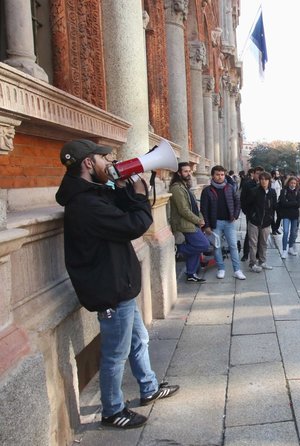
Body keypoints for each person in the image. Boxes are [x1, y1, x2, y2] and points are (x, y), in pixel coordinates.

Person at [55, 139, 178, 429]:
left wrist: (125, 187)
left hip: (119, 284)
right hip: (110, 289)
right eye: (104, 159)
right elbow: (134, 225)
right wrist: (138, 195)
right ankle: (112, 410)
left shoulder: (95, 194)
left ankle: (148, 388)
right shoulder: (85, 203)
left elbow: (119, 209)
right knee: (115, 354)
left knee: (139, 340)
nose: (110, 164)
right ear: (88, 163)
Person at [200, 165, 246, 280]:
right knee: (217, 247)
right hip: (215, 223)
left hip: (229, 222)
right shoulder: (207, 190)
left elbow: (237, 202)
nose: (220, 177)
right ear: (213, 175)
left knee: (233, 246)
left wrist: (235, 215)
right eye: (217, 174)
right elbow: (204, 209)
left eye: (222, 174)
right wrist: (206, 225)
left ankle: (237, 270)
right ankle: (221, 268)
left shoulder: (230, 187)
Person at [170, 162, 210, 283]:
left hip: (192, 222)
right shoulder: (177, 188)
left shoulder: (184, 186)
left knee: (196, 248)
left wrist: (201, 219)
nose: (189, 174)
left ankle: (191, 274)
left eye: (189, 171)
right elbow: (183, 210)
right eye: (185, 171)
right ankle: (178, 250)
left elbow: (194, 206)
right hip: (185, 224)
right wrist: (198, 220)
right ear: (178, 173)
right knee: (203, 245)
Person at [245, 171, 277, 272]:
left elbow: (274, 206)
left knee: (263, 243)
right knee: (253, 243)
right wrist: (251, 216)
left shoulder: (272, 192)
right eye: (262, 179)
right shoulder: (254, 191)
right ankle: (253, 263)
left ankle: (262, 261)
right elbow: (247, 205)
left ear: (269, 181)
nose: (263, 181)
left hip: (266, 222)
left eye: (266, 179)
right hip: (254, 221)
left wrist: (271, 218)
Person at [240, 167, 263, 262]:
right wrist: (247, 212)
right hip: (251, 213)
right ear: (253, 174)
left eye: (261, 174)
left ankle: (257, 254)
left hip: (261, 213)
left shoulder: (265, 184)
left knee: (260, 234)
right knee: (249, 234)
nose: (259, 176)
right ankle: (246, 254)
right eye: (257, 173)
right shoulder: (247, 184)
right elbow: (243, 199)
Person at [278, 176, 300, 259]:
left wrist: (289, 202)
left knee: (293, 232)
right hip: (286, 215)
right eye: (291, 183)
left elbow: (298, 204)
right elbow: (283, 203)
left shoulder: (297, 192)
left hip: (294, 215)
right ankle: (284, 250)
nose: (293, 184)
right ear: (288, 183)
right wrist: (293, 203)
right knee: (286, 232)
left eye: (294, 183)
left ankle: (290, 248)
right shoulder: (283, 191)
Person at [270, 170, 283, 235]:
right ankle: (273, 229)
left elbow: (281, 191)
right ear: (273, 175)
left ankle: (276, 228)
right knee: (272, 216)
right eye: (277, 174)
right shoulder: (270, 182)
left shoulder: (279, 181)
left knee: (280, 216)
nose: (278, 175)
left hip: (278, 201)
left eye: (278, 174)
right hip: (272, 201)